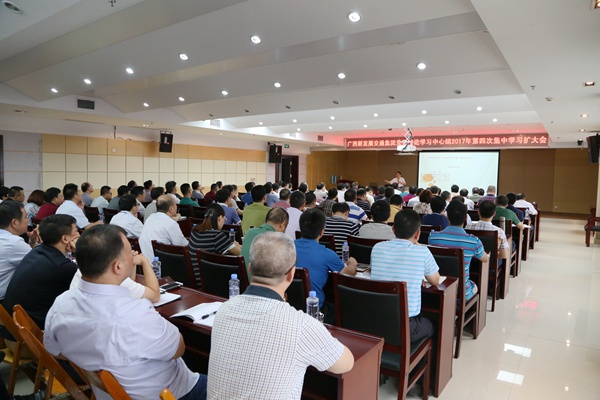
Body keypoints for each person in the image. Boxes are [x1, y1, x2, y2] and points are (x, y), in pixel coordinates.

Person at [44, 225, 206, 400]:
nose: (133, 256)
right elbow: (179, 349)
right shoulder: (136, 315)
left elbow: (54, 350)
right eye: (129, 252)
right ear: (118, 266)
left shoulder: (60, 305)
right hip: (173, 393)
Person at [207, 232, 354, 399]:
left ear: (250, 268)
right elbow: (346, 364)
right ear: (291, 274)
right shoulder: (301, 325)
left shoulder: (224, 309)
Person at [370, 209, 440, 342]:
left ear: (393, 229)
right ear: (418, 234)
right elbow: (435, 280)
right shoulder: (422, 252)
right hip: (407, 327)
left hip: (376, 321)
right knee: (435, 324)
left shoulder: (377, 248)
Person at [3, 214, 79, 331]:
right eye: (76, 231)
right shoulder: (63, 267)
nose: (79, 235)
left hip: (12, 326)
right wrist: (80, 252)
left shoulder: (37, 251)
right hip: (33, 334)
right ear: (65, 239)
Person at [295, 208, 357, 323]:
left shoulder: (287, 247)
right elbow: (350, 273)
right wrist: (352, 262)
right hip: (315, 312)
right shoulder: (327, 254)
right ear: (322, 232)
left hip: (290, 306)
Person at [429, 201, 489, 302]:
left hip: (438, 288)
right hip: (462, 293)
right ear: (466, 218)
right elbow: (485, 259)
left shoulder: (433, 237)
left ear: (447, 217)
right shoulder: (473, 241)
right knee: (475, 286)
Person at [189, 204, 241, 288]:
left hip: (195, 281)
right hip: (210, 283)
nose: (224, 221)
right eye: (224, 218)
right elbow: (241, 254)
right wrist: (236, 245)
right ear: (219, 218)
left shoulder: (194, 231)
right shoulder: (217, 236)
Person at [0, 200, 36, 300]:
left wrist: (33, 241)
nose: (28, 220)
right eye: (25, 217)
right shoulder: (14, 242)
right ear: (14, 222)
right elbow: (40, 263)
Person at [241, 208, 289, 281]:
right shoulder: (278, 240)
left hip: (241, 282)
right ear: (282, 225)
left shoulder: (249, 232)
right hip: (262, 284)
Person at [139, 195, 188, 262]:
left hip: (146, 262)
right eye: (175, 205)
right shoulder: (171, 224)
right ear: (171, 209)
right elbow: (183, 246)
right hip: (163, 264)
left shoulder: (150, 218)